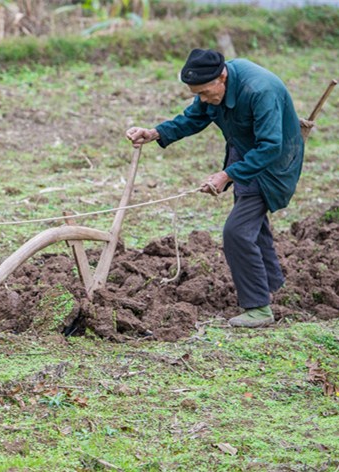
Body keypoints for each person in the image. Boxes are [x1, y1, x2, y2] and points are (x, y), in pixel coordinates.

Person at [125, 48, 304, 328]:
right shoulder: (211, 89)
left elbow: (270, 146)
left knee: (237, 232)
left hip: (272, 162)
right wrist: (155, 133)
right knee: (252, 225)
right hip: (244, 152)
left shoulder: (259, 90)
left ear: (222, 76)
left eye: (206, 93)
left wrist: (227, 175)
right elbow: (195, 117)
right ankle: (271, 283)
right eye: (198, 94)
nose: (204, 100)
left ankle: (258, 308)